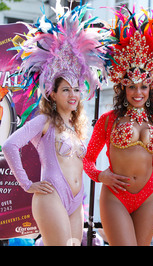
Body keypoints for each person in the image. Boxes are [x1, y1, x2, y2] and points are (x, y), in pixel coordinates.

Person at [3, 3, 107, 245]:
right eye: (65, 90)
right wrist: (27, 184)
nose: (73, 95)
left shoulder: (77, 126)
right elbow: (9, 145)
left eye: (76, 89)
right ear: (52, 93)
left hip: (75, 201)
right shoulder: (44, 121)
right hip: (51, 197)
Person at [83, 7, 153, 246]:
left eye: (144, 86)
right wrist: (101, 175)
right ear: (123, 88)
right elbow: (87, 160)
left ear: (151, 88)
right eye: (132, 86)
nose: (138, 92)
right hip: (116, 197)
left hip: (148, 198)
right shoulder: (108, 119)